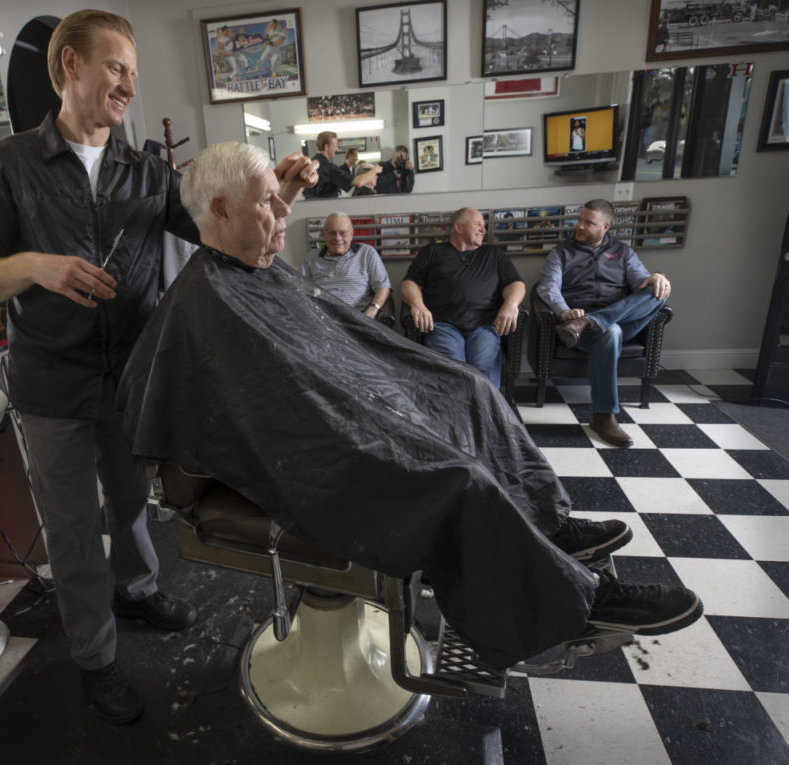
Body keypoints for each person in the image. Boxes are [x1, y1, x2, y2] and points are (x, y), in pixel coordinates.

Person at [117, 142, 702, 671]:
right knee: (454, 475)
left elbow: (325, 361)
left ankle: (546, 526)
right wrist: (379, 412)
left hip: (343, 408)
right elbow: (272, 412)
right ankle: (575, 603)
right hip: (310, 453)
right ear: (219, 209)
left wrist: (384, 394)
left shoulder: (250, 272)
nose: (286, 211)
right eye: (270, 201)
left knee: (471, 390)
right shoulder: (208, 303)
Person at [0, 9, 317, 725]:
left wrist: (286, 193)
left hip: (130, 376)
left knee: (129, 499)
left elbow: (233, 238)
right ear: (71, 66)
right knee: (74, 528)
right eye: (116, 67)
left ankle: (140, 589)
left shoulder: (148, 171)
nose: (127, 84)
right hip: (50, 382)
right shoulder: (9, 168)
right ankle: (96, 656)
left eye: (133, 74)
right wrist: (36, 267)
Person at [538, 199, 672, 448]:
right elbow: (548, 288)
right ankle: (603, 416)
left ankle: (594, 321)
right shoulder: (561, 252)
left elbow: (642, 282)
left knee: (659, 290)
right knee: (610, 331)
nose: (579, 226)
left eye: (588, 223)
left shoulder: (623, 253)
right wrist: (565, 311)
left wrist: (657, 277)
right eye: (579, 220)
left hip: (620, 319)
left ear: (605, 227)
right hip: (576, 327)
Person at [401, 208, 525, 389]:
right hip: (443, 325)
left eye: (484, 225)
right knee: (453, 370)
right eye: (478, 224)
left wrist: (511, 304)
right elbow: (409, 283)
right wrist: (417, 305)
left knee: (482, 366)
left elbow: (516, 284)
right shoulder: (432, 252)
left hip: (484, 326)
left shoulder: (493, 254)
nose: (483, 229)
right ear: (458, 227)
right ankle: (455, 415)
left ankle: (486, 414)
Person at [299, 212, 390, 319]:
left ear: (351, 234)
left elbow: (383, 286)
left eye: (343, 233)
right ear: (323, 234)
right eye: (332, 233)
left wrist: (373, 309)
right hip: (322, 318)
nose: (337, 238)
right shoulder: (310, 258)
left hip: (358, 318)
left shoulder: (366, 252)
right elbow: (299, 288)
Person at [304, 131, 380, 198]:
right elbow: (358, 182)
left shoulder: (307, 165)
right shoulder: (330, 168)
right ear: (326, 147)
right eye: (335, 146)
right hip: (327, 208)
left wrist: (334, 186)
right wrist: (375, 170)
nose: (337, 149)